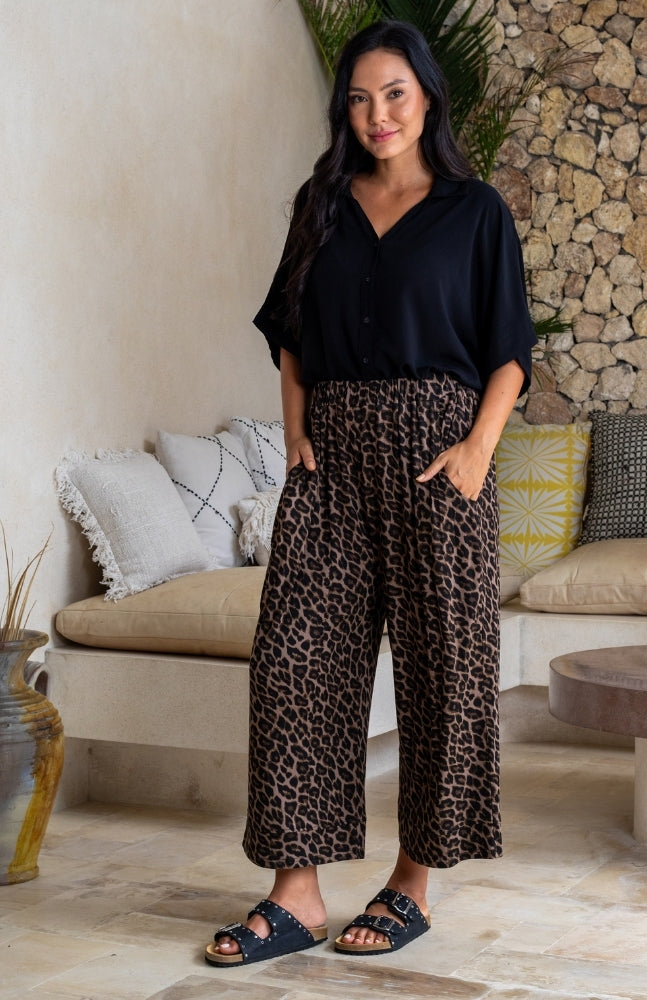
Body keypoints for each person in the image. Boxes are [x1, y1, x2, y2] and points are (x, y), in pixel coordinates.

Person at [204, 18, 536, 967]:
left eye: (393, 92)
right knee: (295, 662)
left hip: (442, 459)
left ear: (427, 96)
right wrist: (298, 430)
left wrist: (478, 449)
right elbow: (292, 335)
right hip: (331, 465)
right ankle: (295, 893)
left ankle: (411, 882)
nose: (376, 113)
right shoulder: (323, 204)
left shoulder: (475, 212)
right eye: (358, 96)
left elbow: (509, 347)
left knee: (445, 672)